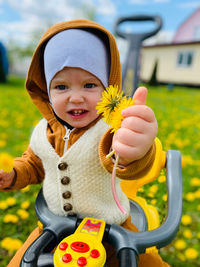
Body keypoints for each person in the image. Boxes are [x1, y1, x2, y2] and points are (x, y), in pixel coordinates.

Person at [0, 19, 169, 266]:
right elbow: (34, 164)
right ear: (46, 92)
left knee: (147, 263)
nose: (76, 97)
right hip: (53, 227)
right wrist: (14, 175)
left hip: (111, 231)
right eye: (61, 86)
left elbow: (122, 160)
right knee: (20, 262)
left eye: (89, 85)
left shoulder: (111, 129)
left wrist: (135, 149)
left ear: (107, 87)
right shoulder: (43, 131)